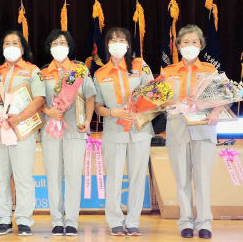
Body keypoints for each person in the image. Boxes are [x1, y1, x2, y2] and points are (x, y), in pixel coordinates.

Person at [93, 27, 153, 236]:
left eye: (122, 39)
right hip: (114, 130)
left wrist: (140, 110)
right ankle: (115, 220)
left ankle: (133, 220)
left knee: (137, 176)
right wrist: (113, 112)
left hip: (140, 129)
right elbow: (97, 106)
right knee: (114, 177)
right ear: (107, 44)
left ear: (128, 44)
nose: (117, 43)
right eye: (113, 40)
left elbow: (153, 93)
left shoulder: (139, 65)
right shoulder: (100, 73)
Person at [161, 24, 219, 239]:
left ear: (201, 45)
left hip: (204, 129)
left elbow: (223, 97)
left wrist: (216, 112)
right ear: (178, 46)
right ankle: (185, 221)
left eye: (194, 42)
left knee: (202, 178)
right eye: (185, 42)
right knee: (182, 179)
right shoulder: (168, 72)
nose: (189, 46)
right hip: (177, 130)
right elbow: (160, 100)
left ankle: (205, 223)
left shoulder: (210, 71)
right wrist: (173, 101)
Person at [0, 30, 45, 236]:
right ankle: (2, 219)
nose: (10, 46)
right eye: (6, 43)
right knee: (0, 177)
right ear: (1, 48)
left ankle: (24, 220)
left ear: (22, 48)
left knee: (23, 177)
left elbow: (39, 99)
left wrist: (18, 118)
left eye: (15, 43)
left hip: (23, 131)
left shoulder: (33, 70)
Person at [40, 30, 96, 236]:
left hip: (74, 128)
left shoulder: (79, 70)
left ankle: (71, 220)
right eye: (55, 42)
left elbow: (90, 96)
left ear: (70, 46)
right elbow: (38, 101)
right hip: (50, 131)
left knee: (73, 175)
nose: (59, 46)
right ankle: (56, 219)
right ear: (49, 47)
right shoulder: (43, 71)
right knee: (53, 175)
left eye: (63, 42)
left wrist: (88, 121)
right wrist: (49, 111)